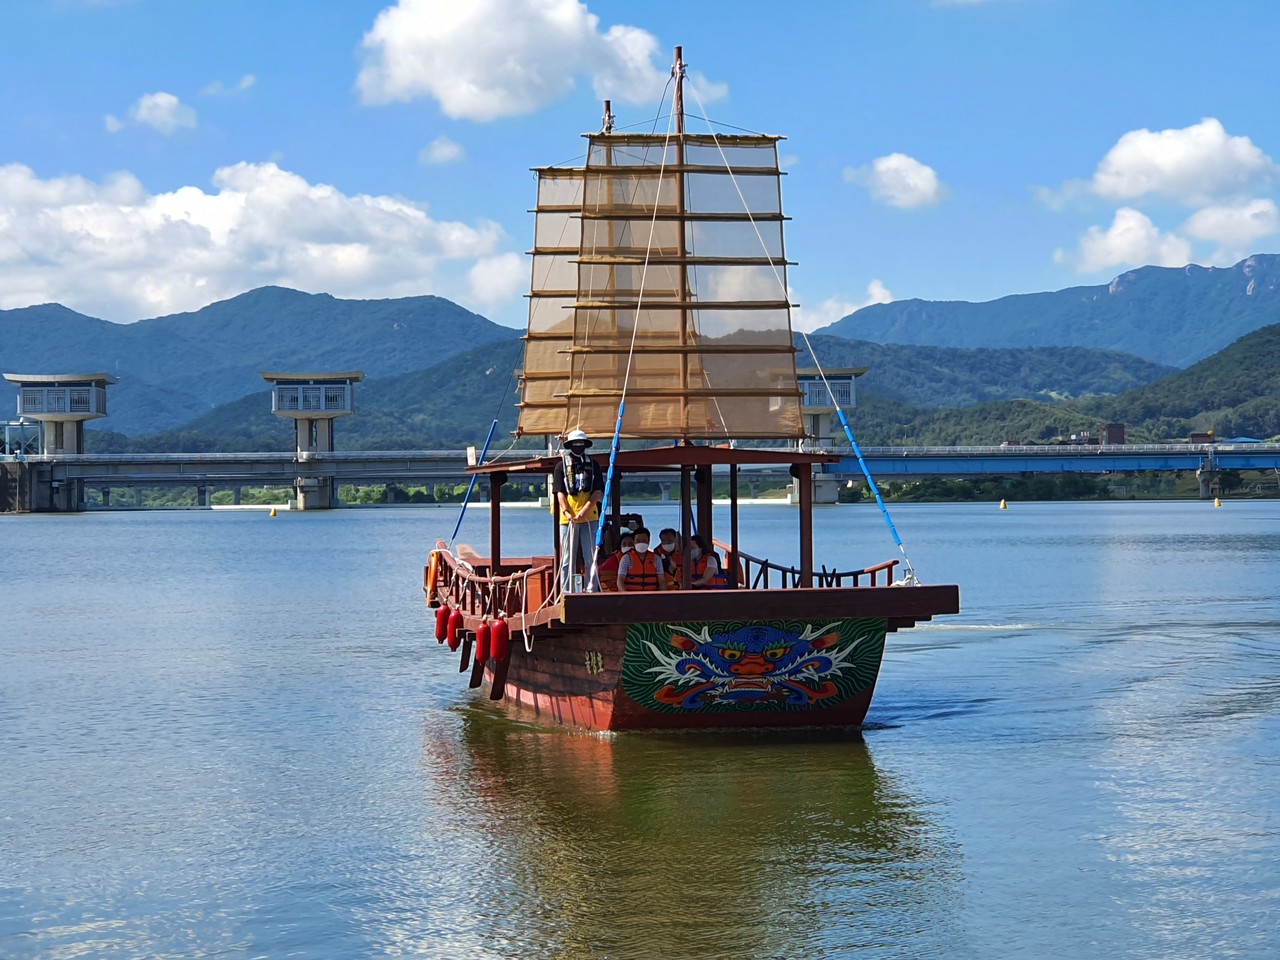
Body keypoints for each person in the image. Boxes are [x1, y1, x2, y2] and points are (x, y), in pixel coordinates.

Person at [552, 429, 605, 593]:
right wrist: (568, 512)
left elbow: (597, 491)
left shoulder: (593, 465)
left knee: (591, 557)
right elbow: (559, 492)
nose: (578, 447)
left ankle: (592, 589)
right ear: (569, 445)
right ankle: (566, 591)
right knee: (568, 558)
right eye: (575, 444)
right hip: (567, 520)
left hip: (590, 518)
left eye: (580, 444)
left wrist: (584, 510)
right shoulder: (561, 465)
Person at [617, 527, 665, 592]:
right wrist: (626, 597)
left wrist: (661, 597)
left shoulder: (656, 559)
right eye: (638, 541)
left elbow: (662, 581)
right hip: (631, 597)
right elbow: (620, 580)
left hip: (651, 597)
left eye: (644, 540)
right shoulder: (626, 558)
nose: (641, 543)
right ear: (634, 542)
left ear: (649, 541)